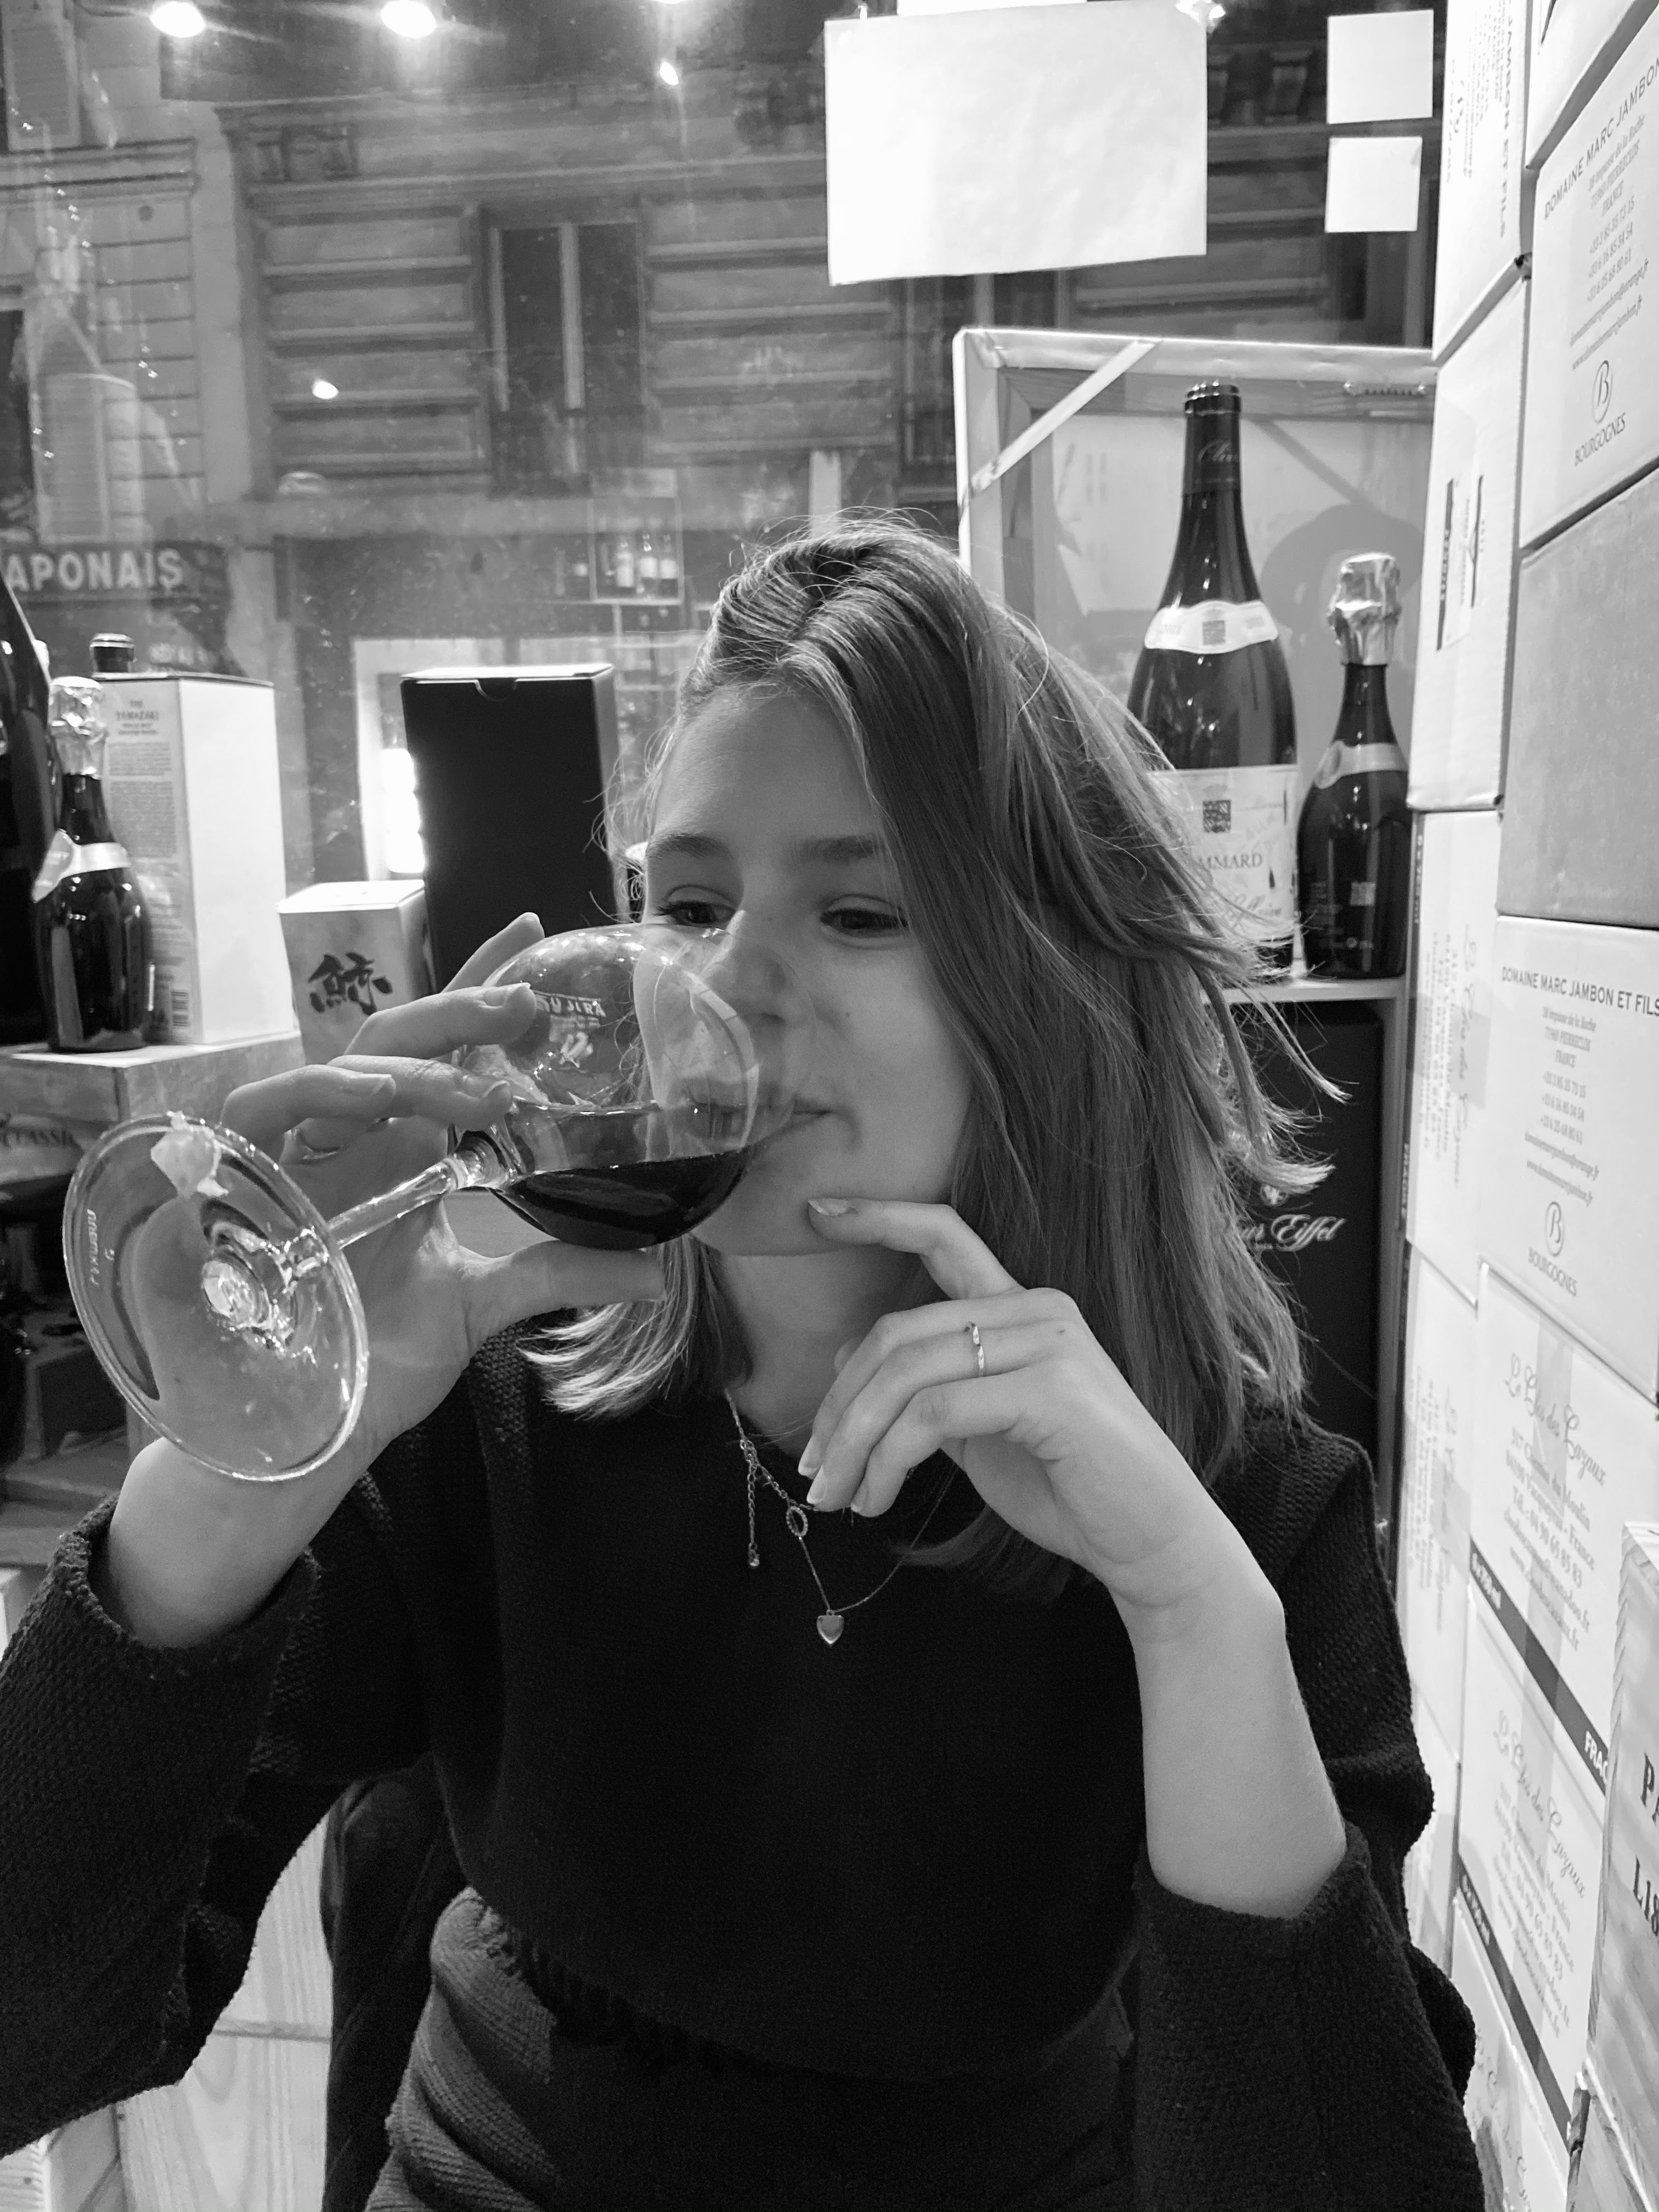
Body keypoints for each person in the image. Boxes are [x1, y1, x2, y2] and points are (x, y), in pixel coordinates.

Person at [0, 518, 1482, 2210]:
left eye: (857, 910)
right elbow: (29, 2042)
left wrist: (1191, 1615)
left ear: (1051, 984)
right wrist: (251, 1454)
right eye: (692, 903)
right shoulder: (487, 1410)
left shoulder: (1230, 1508)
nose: (733, 981)